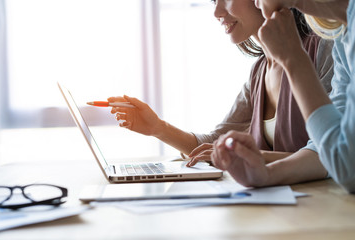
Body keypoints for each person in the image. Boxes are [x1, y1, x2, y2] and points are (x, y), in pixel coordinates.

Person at [108, 0, 333, 174]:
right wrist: (158, 128)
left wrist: (250, 156)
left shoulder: (324, 51)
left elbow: (328, 151)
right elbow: (215, 142)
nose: (217, 12)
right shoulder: (259, 72)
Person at [211, 0, 355, 192]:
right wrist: (266, 175)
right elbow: (330, 147)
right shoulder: (342, 35)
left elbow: (348, 166)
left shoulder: (327, 42)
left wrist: (293, 58)